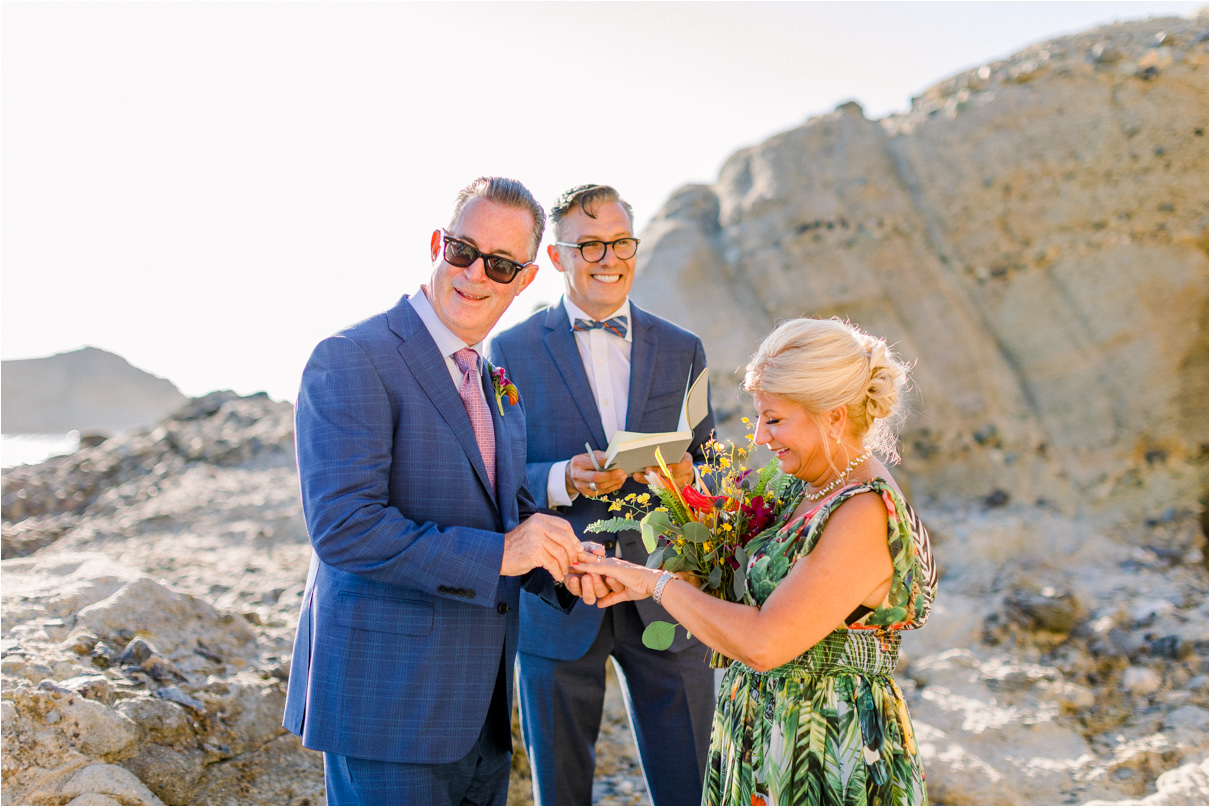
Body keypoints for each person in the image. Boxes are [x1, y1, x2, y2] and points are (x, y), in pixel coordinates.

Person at [282, 176, 601, 806]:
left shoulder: (494, 380)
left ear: (525, 279)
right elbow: (345, 526)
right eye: (463, 251)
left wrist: (569, 565)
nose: (477, 273)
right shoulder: (353, 356)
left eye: (501, 263)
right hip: (387, 704)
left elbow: (504, 513)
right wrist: (505, 553)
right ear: (438, 243)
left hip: (479, 711)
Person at [573, 317, 937, 806]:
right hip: (761, 736)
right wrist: (667, 528)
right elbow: (736, 588)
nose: (762, 437)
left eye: (775, 418)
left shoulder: (863, 513)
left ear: (834, 414)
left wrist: (654, 583)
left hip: (824, 750)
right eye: (760, 417)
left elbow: (765, 643)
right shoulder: (799, 486)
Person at [489, 183, 717, 805]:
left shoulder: (683, 349)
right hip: (559, 595)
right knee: (559, 792)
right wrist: (561, 477)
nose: (606, 257)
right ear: (558, 257)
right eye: (587, 245)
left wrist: (685, 479)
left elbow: (712, 464)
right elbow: (492, 473)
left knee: (693, 784)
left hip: (667, 595)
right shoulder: (508, 350)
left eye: (619, 242)